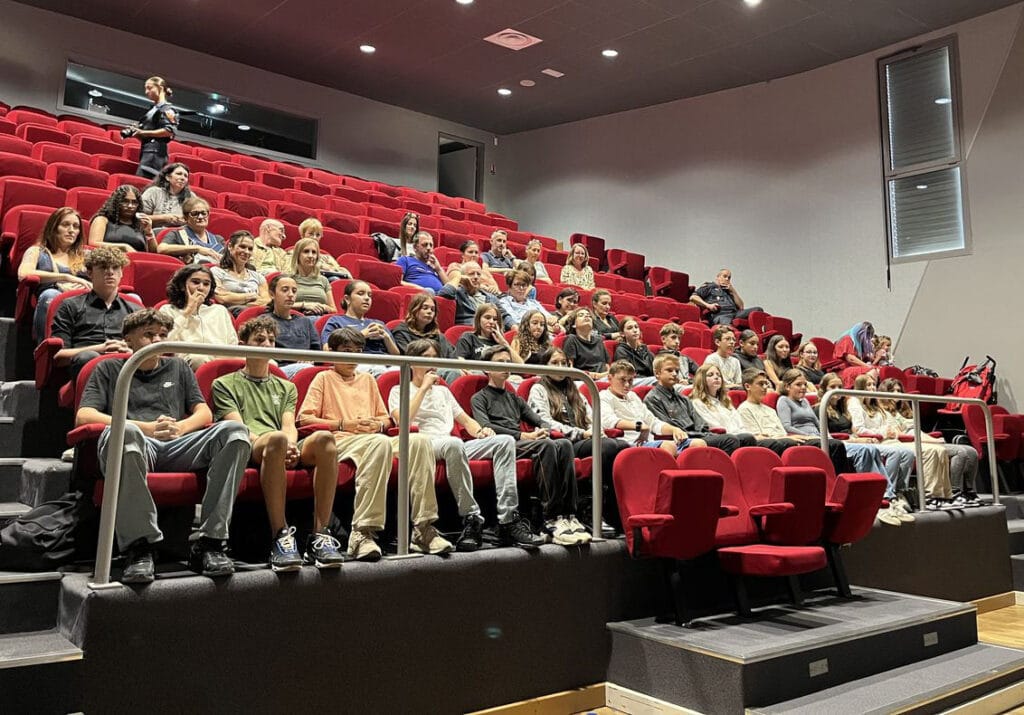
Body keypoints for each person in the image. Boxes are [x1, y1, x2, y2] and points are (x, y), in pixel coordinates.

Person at [75, 309, 250, 582]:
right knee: (127, 434)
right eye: (149, 335)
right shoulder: (108, 368)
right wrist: (146, 428)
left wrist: (180, 427)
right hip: (136, 443)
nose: (158, 341)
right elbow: (84, 415)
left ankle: (211, 542)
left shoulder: (178, 367)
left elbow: (203, 413)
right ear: (128, 338)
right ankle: (139, 547)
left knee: (236, 432)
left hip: (176, 443)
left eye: (162, 335)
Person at [298, 327, 452, 558]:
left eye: (358, 351)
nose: (353, 357)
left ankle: (423, 528)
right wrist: (343, 424)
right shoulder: (324, 377)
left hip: (371, 437)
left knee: (419, 441)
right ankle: (362, 532)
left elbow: (385, 419)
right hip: (341, 440)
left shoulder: (368, 379)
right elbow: (305, 419)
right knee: (378, 444)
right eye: (346, 351)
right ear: (333, 352)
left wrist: (378, 426)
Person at [212, 316, 343, 570]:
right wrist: (282, 443)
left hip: (283, 443)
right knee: (276, 439)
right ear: (243, 344)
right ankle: (281, 535)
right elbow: (239, 427)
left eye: (271, 340)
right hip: (252, 444)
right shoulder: (224, 383)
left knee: (326, 440)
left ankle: (321, 534)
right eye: (259, 340)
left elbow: (288, 425)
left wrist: (291, 446)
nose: (267, 344)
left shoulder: (286, 386)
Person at [389, 339, 542, 550]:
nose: (432, 363)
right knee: (453, 444)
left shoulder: (443, 391)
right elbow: (402, 421)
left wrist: (480, 431)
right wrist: (423, 388)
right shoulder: (399, 390)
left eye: (435, 358)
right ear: (412, 362)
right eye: (426, 358)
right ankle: (472, 517)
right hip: (423, 445)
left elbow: (465, 420)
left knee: (504, 441)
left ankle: (508, 518)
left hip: (453, 444)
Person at [472, 345, 589, 546]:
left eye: (508, 362)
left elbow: (539, 419)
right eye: (500, 363)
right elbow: (485, 426)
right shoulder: (479, 398)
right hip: (503, 446)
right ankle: (550, 517)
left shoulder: (514, 397)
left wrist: (543, 428)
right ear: (487, 368)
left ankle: (569, 514)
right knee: (547, 446)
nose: (506, 366)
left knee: (564, 444)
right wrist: (523, 434)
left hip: (522, 442)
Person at [819, 372, 915, 524]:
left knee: (874, 449)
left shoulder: (842, 408)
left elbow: (851, 430)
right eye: (833, 387)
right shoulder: (821, 406)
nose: (837, 390)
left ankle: (889, 497)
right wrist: (858, 438)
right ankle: (876, 501)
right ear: (824, 389)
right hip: (837, 443)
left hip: (851, 440)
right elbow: (829, 435)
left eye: (839, 387)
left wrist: (858, 438)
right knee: (866, 449)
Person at [879, 378, 979, 508]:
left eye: (899, 390)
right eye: (892, 391)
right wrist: (933, 441)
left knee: (971, 451)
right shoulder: (883, 412)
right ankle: (952, 493)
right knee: (957, 452)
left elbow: (915, 431)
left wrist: (932, 439)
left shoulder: (904, 410)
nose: (897, 393)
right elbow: (904, 435)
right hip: (901, 443)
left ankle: (968, 492)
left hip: (918, 440)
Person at [51, 246, 139, 381]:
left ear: (121, 273)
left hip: (126, 367)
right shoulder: (70, 305)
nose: (110, 272)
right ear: (90, 273)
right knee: (88, 357)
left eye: (115, 267)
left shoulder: (135, 310)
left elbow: (147, 351)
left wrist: (131, 352)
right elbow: (59, 356)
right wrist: (100, 349)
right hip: (87, 367)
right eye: (103, 267)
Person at [644, 353, 751, 454]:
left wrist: (707, 434)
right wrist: (701, 434)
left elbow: (700, 424)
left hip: (697, 436)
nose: (674, 374)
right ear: (657, 373)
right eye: (669, 370)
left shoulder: (683, 398)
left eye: (677, 370)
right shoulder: (653, 399)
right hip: (680, 440)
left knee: (747, 438)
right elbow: (668, 428)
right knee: (730, 440)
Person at [776, 368, 871, 477]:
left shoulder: (805, 401)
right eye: (798, 385)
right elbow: (786, 426)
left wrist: (828, 437)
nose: (803, 388)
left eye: (804, 384)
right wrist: (809, 436)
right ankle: (841, 480)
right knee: (836, 445)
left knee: (864, 449)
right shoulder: (783, 400)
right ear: (787, 387)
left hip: (818, 438)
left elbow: (818, 423)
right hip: (804, 439)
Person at [18, 206, 91, 341]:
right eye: (65, 225)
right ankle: (45, 347)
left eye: (76, 227)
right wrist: (65, 278)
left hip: (82, 300)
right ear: (53, 227)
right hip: (52, 298)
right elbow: (24, 273)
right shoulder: (37, 251)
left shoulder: (86, 255)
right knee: (51, 294)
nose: (71, 231)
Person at [601, 360, 701, 459]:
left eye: (630, 380)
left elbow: (653, 422)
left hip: (648, 441)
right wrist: (640, 426)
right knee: (668, 446)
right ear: (610, 378)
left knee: (698, 444)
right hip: (629, 443)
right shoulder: (604, 396)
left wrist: (674, 429)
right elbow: (609, 422)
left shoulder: (632, 396)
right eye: (622, 380)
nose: (627, 385)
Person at [158, 264, 236, 369]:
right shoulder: (167, 310)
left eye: (206, 284)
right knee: (198, 359)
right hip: (186, 363)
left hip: (220, 360)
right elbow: (162, 343)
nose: (201, 288)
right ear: (182, 285)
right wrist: (187, 311)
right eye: (195, 282)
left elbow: (233, 345)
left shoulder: (220, 310)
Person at [735, 369, 812, 456]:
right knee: (789, 443)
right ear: (747, 386)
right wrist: (788, 438)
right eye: (761, 384)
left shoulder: (770, 410)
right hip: (768, 446)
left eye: (766, 384)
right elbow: (758, 438)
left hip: (782, 440)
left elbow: (782, 432)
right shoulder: (744, 409)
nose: (765, 387)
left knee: (814, 442)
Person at [318, 281, 399, 361]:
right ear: (347, 299)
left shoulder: (378, 323)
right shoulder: (336, 321)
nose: (367, 298)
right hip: (356, 363)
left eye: (369, 295)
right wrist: (361, 335)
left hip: (385, 363)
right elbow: (327, 350)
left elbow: (397, 356)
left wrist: (386, 337)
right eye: (360, 293)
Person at [392, 292, 461, 383]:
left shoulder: (438, 335)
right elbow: (409, 357)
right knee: (453, 372)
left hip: (439, 369)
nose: (429, 312)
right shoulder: (401, 331)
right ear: (414, 310)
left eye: (432, 310)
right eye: (425, 308)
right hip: (416, 372)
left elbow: (452, 356)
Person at [264, 274, 321, 377]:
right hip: (278, 370)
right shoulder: (264, 321)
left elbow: (317, 352)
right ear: (272, 294)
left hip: (307, 368)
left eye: (294, 291)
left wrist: (310, 358)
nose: (290, 295)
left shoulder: (305, 321)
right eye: (285, 290)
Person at [125, 76, 178, 179]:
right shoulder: (153, 109)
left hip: (155, 154)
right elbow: (147, 135)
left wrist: (143, 132)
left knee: (143, 183)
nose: (146, 92)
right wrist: (138, 134)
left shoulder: (167, 108)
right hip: (148, 150)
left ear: (161, 88)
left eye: (149, 88)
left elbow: (169, 131)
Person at [210, 231, 271, 316]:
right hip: (231, 314)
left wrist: (238, 299)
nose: (246, 252)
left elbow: (266, 300)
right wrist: (252, 296)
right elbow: (222, 298)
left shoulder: (258, 276)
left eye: (250, 249)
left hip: (258, 313)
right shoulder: (216, 271)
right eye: (242, 247)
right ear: (230, 246)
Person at [88, 185, 157, 253]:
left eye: (134, 202)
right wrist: (124, 247)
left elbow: (153, 253)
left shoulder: (140, 224)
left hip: (137, 262)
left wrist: (149, 233)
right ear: (116, 203)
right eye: (125, 201)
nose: (130, 206)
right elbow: (93, 243)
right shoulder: (102, 220)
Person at [438, 261, 506, 327]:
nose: (476, 277)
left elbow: (504, 315)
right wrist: (458, 277)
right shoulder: (457, 293)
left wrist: (513, 326)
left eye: (478, 274)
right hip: (468, 332)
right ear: (464, 277)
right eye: (471, 274)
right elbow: (443, 294)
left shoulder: (491, 297)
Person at [157, 197, 223, 264]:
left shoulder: (218, 239)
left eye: (203, 213)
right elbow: (161, 249)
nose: (200, 217)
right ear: (186, 218)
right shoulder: (176, 234)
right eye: (195, 213)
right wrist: (197, 248)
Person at [690, 268, 762, 326]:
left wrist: (733, 291)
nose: (727, 279)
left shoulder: (729, 290)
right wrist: (708, 305)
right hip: (720, 315)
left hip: (735, 314)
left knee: (758, 310)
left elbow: (741, 307)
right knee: (727, 326)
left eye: (729, 278)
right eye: (724, 276)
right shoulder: (709, 286)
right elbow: (693, 297)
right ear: (718, 277)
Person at [285, 218, 351, 281]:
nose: (314, 237)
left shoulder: (327, 257)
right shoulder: (292, 253)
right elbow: (290, 270)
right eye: (311, 234)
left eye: (318, 235)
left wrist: (329, 268)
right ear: (302, 235)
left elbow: (340, 271)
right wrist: (320, 266)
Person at [454, 304, 522, 363]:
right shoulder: (469, 337)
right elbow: (460, 361)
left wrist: (504, 343)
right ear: (478, 319)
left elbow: (520, 365)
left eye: (495, 319)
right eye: (487, 317)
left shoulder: (500, 342)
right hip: (476, 373)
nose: (491, 321)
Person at [288, 237, 337, 316]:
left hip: (319, 317)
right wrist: (304, 305)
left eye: (314, 252)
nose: (310, 256)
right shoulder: (288, 279)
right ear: (297, 255)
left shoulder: (323, 280)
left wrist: (322, 307)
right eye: (306, 251)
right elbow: (279, 305)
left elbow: (334, 310)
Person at [140, 162, 192, 228]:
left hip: (180, 234)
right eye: (179, 174)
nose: (183, 178)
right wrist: (163, 218)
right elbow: (139, 217)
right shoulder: (153, 192)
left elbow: (197, 219)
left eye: (185, 176)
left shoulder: (190, 197)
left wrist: (185, 220)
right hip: (151, 231)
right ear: (167, 177)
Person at [563, 307, 608, 379]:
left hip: (604, 378)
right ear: (574, 324)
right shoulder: (572, 339)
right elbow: (569, 370)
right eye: (581, 315)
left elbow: (606, 366)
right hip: (584, 380)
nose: (587, 316)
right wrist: (597, 376)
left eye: (589, 316)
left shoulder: (599, 340)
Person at [614, 316, 657, 385]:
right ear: (622, 334)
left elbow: (656, 366)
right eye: (630, 328)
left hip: (649, 379)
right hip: (633, 381)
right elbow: (626, 373)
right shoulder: (621, 350)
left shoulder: (644, 349)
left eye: (636, 327)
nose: (635, 330)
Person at [834, 322, 879, 387]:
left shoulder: (859, 345)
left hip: (852, 368)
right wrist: (867, 366)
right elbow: (851, 359)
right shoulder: (847, 339)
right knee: (871, 370)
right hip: (843, 370)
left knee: (877, 369)